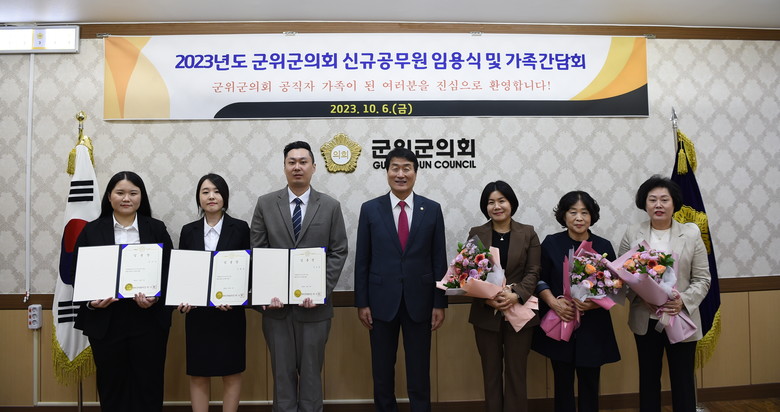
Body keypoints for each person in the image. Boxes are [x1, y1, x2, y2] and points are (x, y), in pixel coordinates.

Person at [250, 141, 348, 412]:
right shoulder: (265, 204)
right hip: (276, 309)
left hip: (315, 309)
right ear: (284, 167)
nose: (297, 167)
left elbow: (339, 251)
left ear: (313, 167)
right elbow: (258, 250)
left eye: (303, 162)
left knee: (312, 375)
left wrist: (320, 290)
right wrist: (267, 291)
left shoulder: (330, 206)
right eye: (291, 162)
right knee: (281, 376)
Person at [354, 147, 447, 412]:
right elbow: (362, 260)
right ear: (387, 172)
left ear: (415, 173)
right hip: (380, 302)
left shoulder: (432, 209)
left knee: (419, 369)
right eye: (395, 168)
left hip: (421, 301)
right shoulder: (370, 209)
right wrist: (362, 302)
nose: (401, 174)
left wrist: (439, 303)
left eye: (407, 168)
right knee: (382, 369)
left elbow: (439, 259)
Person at [73, 171, 174, 412]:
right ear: (109, 197)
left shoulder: (156, 229)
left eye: (133, 193)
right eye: (120, 193)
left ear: (141, 197)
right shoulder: (91, 231)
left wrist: (155, 297)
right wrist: (91, 302)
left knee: (148, 385)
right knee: (111, 386)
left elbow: (169, 271)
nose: (126, 198)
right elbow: (78, 272)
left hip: (148, 320)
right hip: (106, 321)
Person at [619, 175, 710, 412]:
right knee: (648, 379)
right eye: (652, 200)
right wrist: (642, 297)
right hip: (645, 318)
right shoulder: (632, 233)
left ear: (674, 203)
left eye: (664, 199)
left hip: (681, 317)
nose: (658, 205)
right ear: (644, 203)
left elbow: (703, 279)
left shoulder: (691, 234)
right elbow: (621, 276)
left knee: (683, 380)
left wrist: (682, 302)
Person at [533, 191, 620, 412]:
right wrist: (553, 303)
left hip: (593, 325)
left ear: (592, 216)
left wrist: (594, 303)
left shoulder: (603, 246)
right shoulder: (551, 243)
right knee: (562, 382)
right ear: (564, 215)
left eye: (584, 212)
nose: (579, 218)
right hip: (561, 319)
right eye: (573, 212)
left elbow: (616, 286)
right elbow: (539, 279)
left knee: (590, 382)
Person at [177, 173, 250, 412]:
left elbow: (248, 269)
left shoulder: (240, 228)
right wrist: (183, 299)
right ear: (198, 198)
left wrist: (236, 297)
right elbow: (183, 272)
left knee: (231, 372)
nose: (211, 196)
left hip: (230, 314)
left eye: (217, 191)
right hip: (198, 315)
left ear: (225, 197)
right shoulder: (188, 231)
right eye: (205, 192)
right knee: (199, 373)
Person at [466, 180, 540, 412]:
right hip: (486, 313)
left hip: (520, 311)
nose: (496, 206)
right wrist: (487, 297)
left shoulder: (528, 233)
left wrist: (516, 295)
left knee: (516, 372)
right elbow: (468, 272)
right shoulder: (477, 233)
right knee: (490, 373)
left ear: (511, 203)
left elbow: (534, 271)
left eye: (502, 201)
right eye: (491, 202)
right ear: (485, 207)